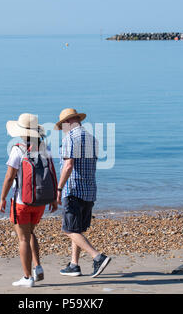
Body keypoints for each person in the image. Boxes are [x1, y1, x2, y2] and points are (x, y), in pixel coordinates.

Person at [0, 113, 58, 287]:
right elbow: (52, 174)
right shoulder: (45, 149)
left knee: (23, 238)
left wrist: (2, 198)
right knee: (31, 233)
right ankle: (38, 267)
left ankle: (27, 278)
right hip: (40, 201)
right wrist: (53, 199)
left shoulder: (18, 149)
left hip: (22, 202)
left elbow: (10, 177)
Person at [55, 108, 111, 278]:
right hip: (89, 189)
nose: (62, 129)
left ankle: (98, 257)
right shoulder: (92, 139)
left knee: (69, 229)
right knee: (77, 228)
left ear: (68, 122)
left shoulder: (70, 137)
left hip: (73, 189)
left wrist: (59, 188)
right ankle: (74, 265)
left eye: (62, 125)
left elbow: (69, 165)